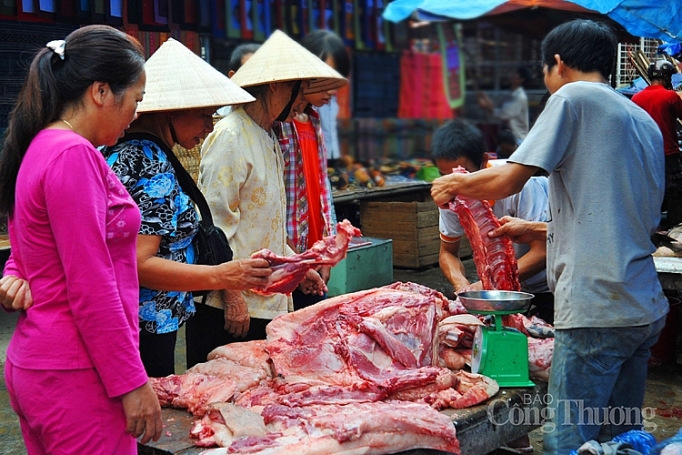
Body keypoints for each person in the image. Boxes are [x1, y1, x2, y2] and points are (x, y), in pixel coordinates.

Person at [431, 19, 668, 455]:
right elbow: (625, 216)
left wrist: (456, 185)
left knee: (566, 439)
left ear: (557, 63)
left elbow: (508, 181)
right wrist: (538, 228)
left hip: (598, 305)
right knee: (618, 437)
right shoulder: (639, 117)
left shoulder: (572, 97)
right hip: (642, 305)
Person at [0, 25, 162, 453]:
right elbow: (91, 284)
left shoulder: (40, 144)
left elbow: (33, 243)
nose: (136, 114)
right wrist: (131, 382)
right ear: (102, 91)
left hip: (43, 364)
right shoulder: (73, 155)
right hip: (76, 373)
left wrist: (16, 271)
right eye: (136, 100)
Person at [101, 38, 273, 376]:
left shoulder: (125, 151)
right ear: (172, 111)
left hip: (127, 314)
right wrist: (222, 275)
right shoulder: (150, 163)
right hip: (147, 320)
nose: (210, 126)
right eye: (204, 115)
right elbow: (139, 261)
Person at [199, 30, 347, 342]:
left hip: (266, 298)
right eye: (300, 91)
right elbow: (213, 227)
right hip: (232, 306)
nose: (303, 101)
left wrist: (297, 267)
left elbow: (271, 224)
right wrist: (233, 296)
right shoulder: (230, 135)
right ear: (277, 85)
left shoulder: (268, 135)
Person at [432, 119, 553, 325]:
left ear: (484, 160)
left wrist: (485, 285)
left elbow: (543, 251)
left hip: (550, 286)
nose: (453, 184)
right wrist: (462, 284)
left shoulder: (516, 182)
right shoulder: (450, 194)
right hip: (505, 292)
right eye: (445, 176)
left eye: (461, 174)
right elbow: (448, 252)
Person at [274, 30, 349, 310]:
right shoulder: (279, 123)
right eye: (326, 77)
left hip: (315, 251)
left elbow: (321, 187)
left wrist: (327, 251)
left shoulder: (315, 120)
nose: (333, 89)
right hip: (287, 251)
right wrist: (294, 258)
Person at [631, 59, 682, 228]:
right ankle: (674, 229)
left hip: (644, 154)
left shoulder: (636, 98)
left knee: (649, 191)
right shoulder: (670, 96)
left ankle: (650, 228)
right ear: (667, 77)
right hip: (668, 153)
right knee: (675, 193)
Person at [301, 30, 352, 167]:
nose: (332, 90)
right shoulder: (285, 122)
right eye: (325, 78)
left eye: (336, 81)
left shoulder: (326, 105)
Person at [477, 66, 531, 142]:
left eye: (515, 74)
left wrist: (486, 105)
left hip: (516, 139)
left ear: (521, 79)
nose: (512, 75)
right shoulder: (510, 94)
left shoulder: (520, 97)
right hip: (508, 139)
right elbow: (497, 108)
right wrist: (485, 98)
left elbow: (503, 114)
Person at [216, 43, 262, 118]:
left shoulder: (281, 118)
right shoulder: (220, 118)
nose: (259, 79)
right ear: (233, 76)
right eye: (251, 73)